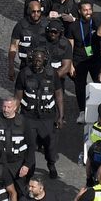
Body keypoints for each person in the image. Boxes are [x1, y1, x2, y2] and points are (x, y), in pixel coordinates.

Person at [14, 48, 64, 178]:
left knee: (50, 145)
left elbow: (59, 95)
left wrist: (61, 116)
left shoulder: (52, 74)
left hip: (48, 117)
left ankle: (51, 164)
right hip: (28, 116)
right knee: (30, 144)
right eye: (35, 60)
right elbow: (18, 97)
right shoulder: (24, 74)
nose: (37, 63)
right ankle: (30, 168)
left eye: (40, 61)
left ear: (44, 61)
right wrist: (15, 115)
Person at [67, 0, 101, 122]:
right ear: (79, 11)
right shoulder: (73, 26)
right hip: (79, 59)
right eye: (85, 10)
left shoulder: (96, 22)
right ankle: (82, 111)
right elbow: (70, 46)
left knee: (99, 82)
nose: (88, 12)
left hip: (95, 59)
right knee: (80, 86)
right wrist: (70, 64)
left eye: (90, 9)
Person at [8, 1, 49, 81]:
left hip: (44, 66)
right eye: (33, 11)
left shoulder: (47, 25)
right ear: (29, 11)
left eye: (38, 11)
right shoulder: (20, 26)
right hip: (26, 65)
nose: (36, 14)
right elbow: (13, 46)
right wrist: (11, 67)